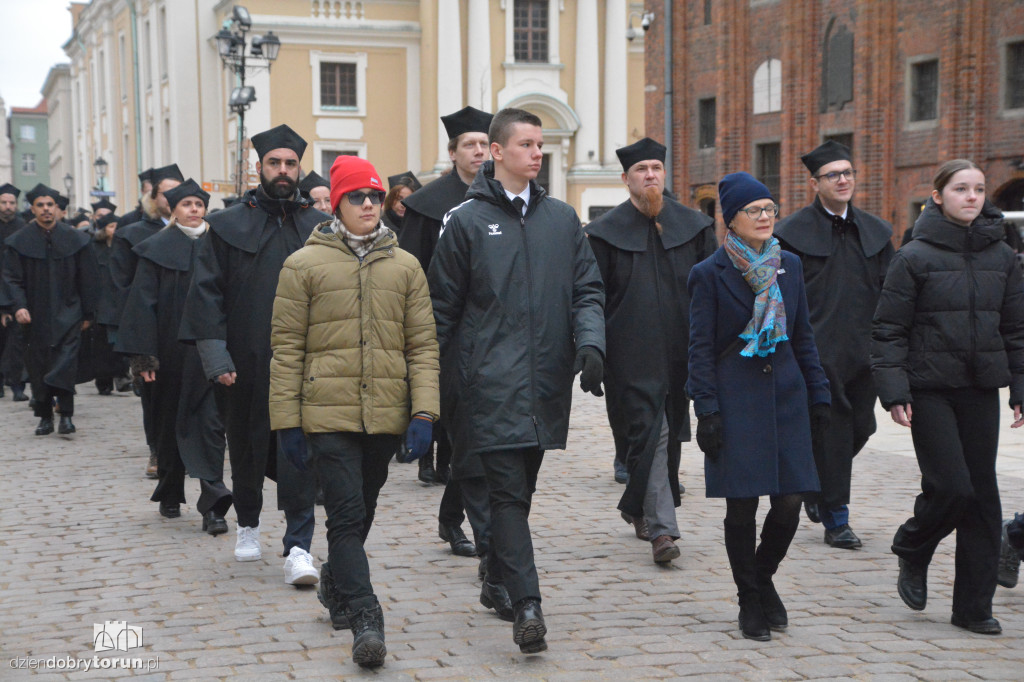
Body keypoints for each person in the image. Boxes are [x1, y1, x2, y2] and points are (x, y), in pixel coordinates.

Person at [429, 107, 606, 653]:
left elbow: (587, 289)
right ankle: (528, 605)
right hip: (487, 384)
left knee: (520, 494)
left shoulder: (561, 220)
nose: (536, 152)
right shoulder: (465, 222)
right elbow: (440, 310)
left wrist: (591, 342)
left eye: (540, 143)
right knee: (506, 495)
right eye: (526, 144)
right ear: (497, 152)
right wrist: (433, 386)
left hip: (545, 383)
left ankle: (495, 574)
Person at [270, 154, 439, 669]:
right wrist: (287, 422)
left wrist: (424, 413)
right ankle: (367, 617)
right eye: (356, 197)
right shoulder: (303, 265)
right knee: (344, 515)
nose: (368, 204)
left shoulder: (405, 266)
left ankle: (336, 581)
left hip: (385, 413)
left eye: (374, 196)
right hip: (327, 413)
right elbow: (286, 349)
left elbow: (422, 346)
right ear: (337, 204)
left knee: (362, 509)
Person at [871, 159, 1024, 635]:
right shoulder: (913, 257)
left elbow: (1016, 329)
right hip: (929, 389)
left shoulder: (1003, 256)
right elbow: (889, 329)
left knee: (983, 499)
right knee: (953, 487)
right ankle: (913, 545)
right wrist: (894, 390)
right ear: (937, 196)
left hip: (980, 388)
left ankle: (973, 608)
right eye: (961, 189)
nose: (972, 196)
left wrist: (1020, 387)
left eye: (978, 189)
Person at [180, 124, 330, 576]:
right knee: (245, 446)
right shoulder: (226, 226)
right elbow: (206, 294)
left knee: (300, 452)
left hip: (304, 362)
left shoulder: (320, 227)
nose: (283, 170)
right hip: (243, 361)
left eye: (290, 164)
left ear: (299, 168)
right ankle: (247, 524)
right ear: (259, 167)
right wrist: (215, 356)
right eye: (274, 163)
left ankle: (299, 545)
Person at [687, 172, 830, 641]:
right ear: (731, 219)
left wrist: (819, 393)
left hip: (787, 396)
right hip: (736, 402)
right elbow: (700, 349)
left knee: (791, 501)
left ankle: (762, 577)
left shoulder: (789, 265)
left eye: (770, 209)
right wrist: (706, 409)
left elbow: (804, 335)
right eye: (755, 210)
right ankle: (749, 598)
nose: (766, 217)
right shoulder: (709, 274)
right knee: (742, 506)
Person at [587, 137, 716, 564]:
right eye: (641, 170)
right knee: (650, 432)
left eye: (656, 169)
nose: (650, 176)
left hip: (682, 351)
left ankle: (635, 505)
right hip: (629, 354)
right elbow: (591, 297)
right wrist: (592, 349)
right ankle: (663, 531)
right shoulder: (603, 234)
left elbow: (711, 291)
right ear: (626, 179)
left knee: (671, 435)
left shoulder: (694, 226)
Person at [774, 140, 894, 549]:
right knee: (835, 431)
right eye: (833, 175)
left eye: (847, 173)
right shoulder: (791, 235)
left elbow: (892, 291)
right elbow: (778, 297)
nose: (843, 180)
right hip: (817, 352)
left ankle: (817, 485)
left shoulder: (876, 232)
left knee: (863, 426)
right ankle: (836, 519)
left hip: (866, 350)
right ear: (815, 183)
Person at [402, 107, 493, 564]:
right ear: (453, 152)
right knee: (463, 436)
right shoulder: (427, 205)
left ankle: (453, 517)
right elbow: (409, 271)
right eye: (469, 145)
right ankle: (475, 530)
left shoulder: (503, 197)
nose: (478, 152)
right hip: (442, 334)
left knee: (479, 438)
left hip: (493, 335)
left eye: (484, 144)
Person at [118, 180, 229, 532]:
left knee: (210, 427)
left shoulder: (220, 245)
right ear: (174, 210)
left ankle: (213, 505)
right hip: (169, 355)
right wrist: (143, 357)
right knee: (168, 425)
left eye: (199, 204)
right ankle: (169, 490)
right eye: (187, 204)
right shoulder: (156, 249)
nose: (194, 210)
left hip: (209, 354)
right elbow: (141, 305)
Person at [1, 184, 99, 436]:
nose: (46, 209)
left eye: (50, 205)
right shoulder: (19, 242)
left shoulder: (76, 240)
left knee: (66, 363)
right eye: (40, 205)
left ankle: (66, 415)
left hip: (69, 311)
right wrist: (19, 306)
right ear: (32, 209)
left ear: (57, 208)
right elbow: (11, 278)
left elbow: (88, 278)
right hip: (34, 314)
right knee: (38, 364)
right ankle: (45, 416)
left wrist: (88, 313)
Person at [112, 163, 184, 478]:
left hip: (186, 329)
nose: (173, 199)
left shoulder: (199, 233)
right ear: (153, 197)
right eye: (167, 193)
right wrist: (134, 342)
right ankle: (157, 450)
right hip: (151, 330)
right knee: (155, 397)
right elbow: (121, 288)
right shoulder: (132, 235)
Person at [88, 213, 130, 396]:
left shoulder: (123, 247)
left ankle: (122, 376)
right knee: (102, 346)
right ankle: (103, 381)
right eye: (112, 226)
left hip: (119, 301)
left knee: (119, 343)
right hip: (101, 302)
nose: (115, 230)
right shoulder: (93, 248)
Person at [0, 182, 29, 401]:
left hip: (17, 292)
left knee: (17, 343)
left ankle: (18, 385)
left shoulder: (23, 228)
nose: (8, 206)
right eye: (3, 202)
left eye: (11, 203)